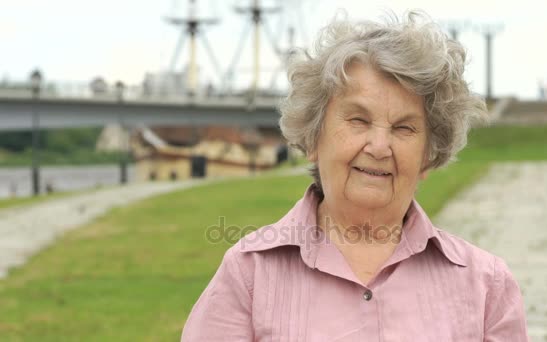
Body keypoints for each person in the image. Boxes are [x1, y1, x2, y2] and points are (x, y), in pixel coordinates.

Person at [182, 11, 529, 341]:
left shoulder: (487, 286)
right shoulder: (247, 276)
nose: (379, 146)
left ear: (428, 156)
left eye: (404, 128)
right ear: (314, 138)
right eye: (358, 121)